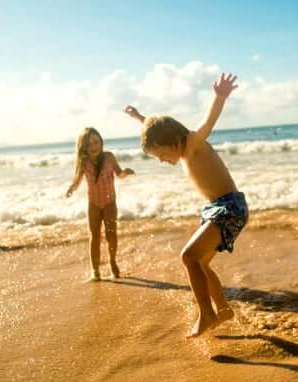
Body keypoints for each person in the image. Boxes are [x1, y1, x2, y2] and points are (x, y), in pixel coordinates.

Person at [123, 73, 247, 338]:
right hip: (218, 208)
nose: (162, 160)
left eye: (161, 154)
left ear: (172, 141)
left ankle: (207, 314)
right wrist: (138, 117)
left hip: (229, 207)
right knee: (200, 264)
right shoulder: (176, 142)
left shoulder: (192, 144)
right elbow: (155, 126)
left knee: (188, 256)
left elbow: (208, 123)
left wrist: (219, 97)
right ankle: (223, 310)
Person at [66, 127, 135, 281]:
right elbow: (77, 180)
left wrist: (126, 172)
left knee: (111, 234)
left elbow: (119, 174)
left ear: (101, 142)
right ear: (83, 147)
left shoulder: (109, 157)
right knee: (94, 236)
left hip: (110, 202)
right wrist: (71, 188)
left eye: (96, 142)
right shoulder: (83, 161)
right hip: (94, 204)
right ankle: (95, 270)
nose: (93, 146)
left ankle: (112, 261)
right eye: (89, 144)